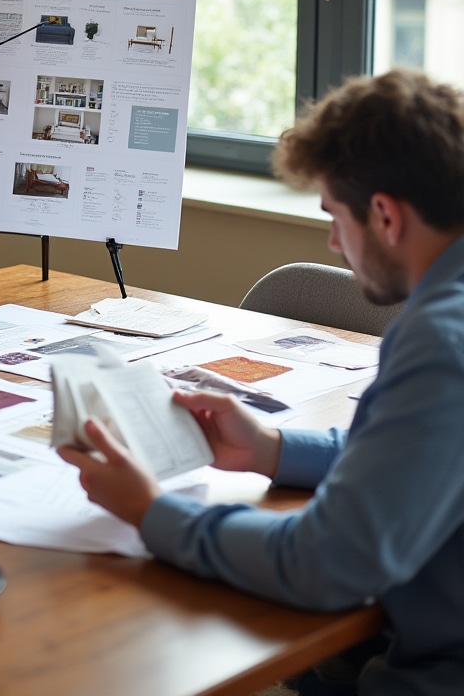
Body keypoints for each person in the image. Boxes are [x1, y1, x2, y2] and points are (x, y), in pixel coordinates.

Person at [59, 68, 464, 696]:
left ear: (384, 215)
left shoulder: (441, 341)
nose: (333, 242)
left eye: (335, 217)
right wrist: (270, 448)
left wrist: (151, 511)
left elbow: (325, 562)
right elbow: (420, 456)